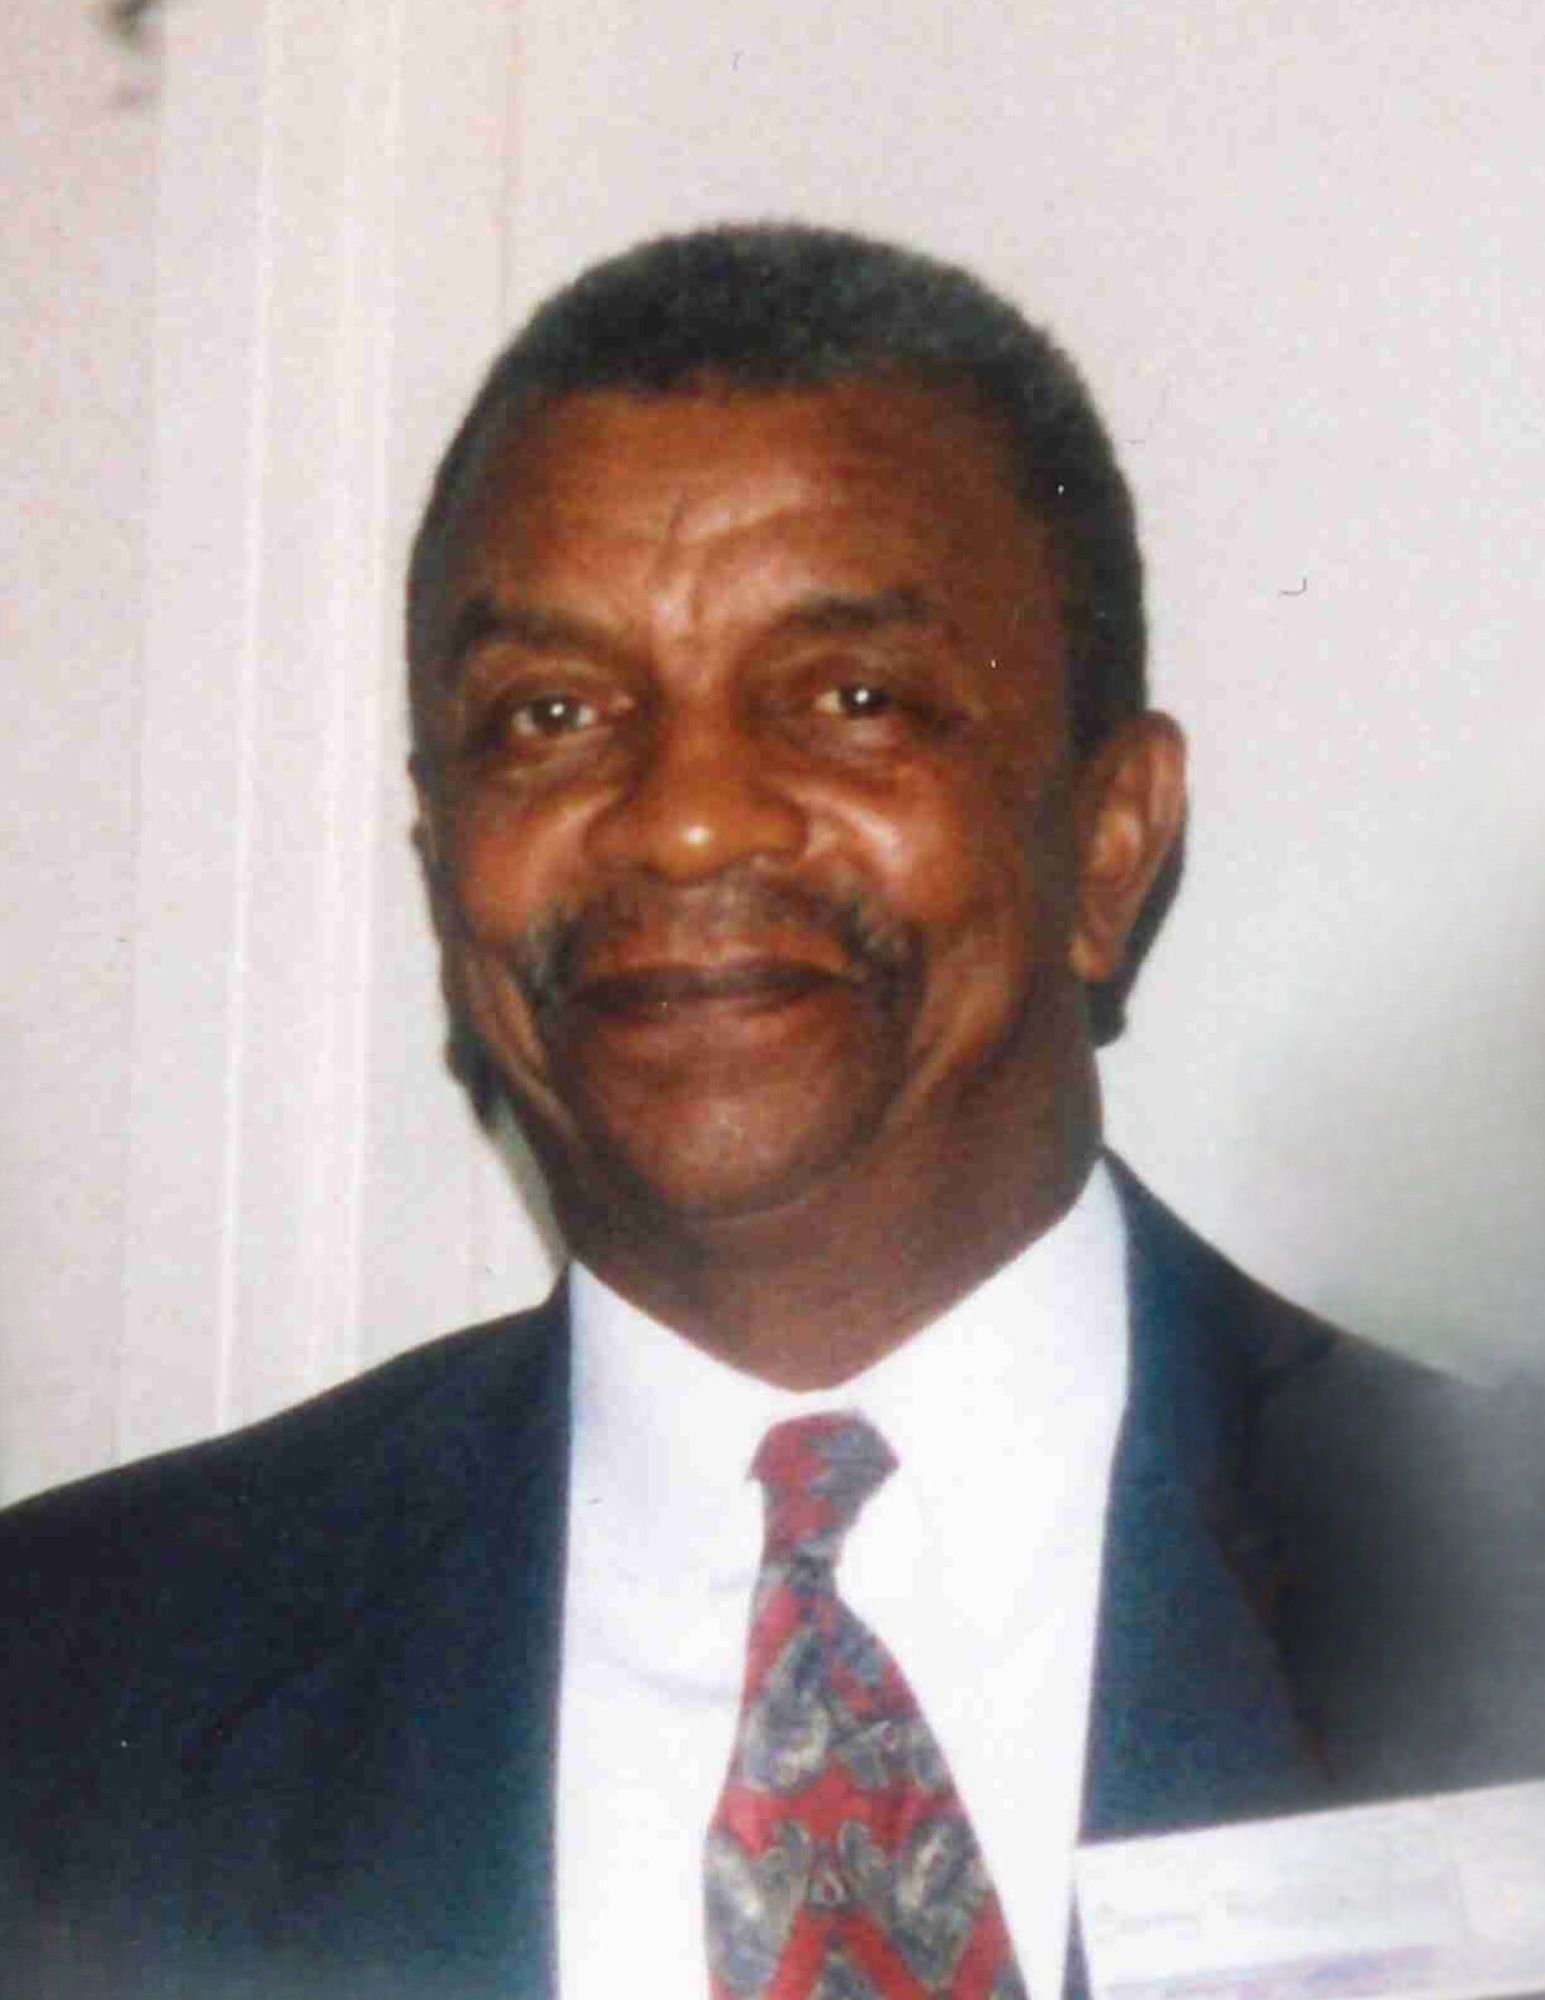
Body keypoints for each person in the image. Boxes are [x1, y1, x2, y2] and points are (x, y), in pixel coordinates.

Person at [2, 223, 1541, 2000]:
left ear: (1107, 843)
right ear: (443, 862)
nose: (683, 821)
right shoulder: (72, 1690)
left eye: (850, 699)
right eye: (549, 713)